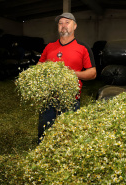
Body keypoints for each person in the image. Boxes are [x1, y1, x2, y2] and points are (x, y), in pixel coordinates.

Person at [37, 12, 96, 144]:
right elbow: (39, 65)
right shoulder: (49, 47)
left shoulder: (83, 48)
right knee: (44, 132)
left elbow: (92, 73)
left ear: (75, 26)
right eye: (60, 23)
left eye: (67, 22)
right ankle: (41, 157)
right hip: (48, 97)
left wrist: (73, 74)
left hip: (71, 99)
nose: (63, 25)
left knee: (69, 134)